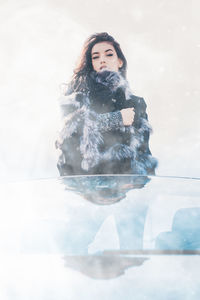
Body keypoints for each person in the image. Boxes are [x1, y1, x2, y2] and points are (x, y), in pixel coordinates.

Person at [55, 32, 157, 175]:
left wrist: (140, 184)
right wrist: (116, 118)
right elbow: (69, 140)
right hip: (85, 187)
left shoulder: (136, 103)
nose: (102, 60)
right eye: (96, 57)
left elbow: (144, 154)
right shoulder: (77, 99)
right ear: (92, 64)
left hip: (122, 188)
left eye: (109, 55)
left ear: (119, 61)